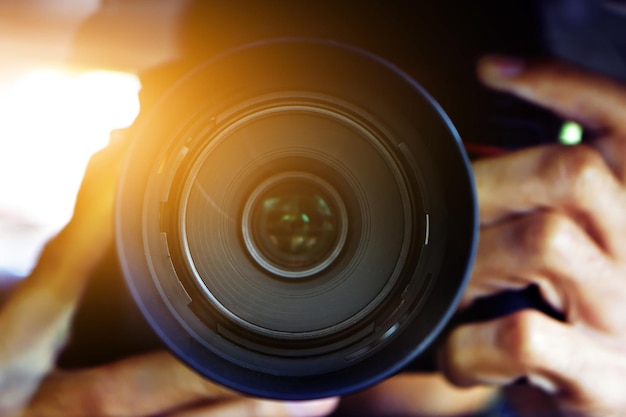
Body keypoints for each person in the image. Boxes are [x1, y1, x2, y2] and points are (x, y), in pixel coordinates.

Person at [1, 55, 625, 417]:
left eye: (391, 177)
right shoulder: (49, 352)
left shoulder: (559, 369)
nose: (356, 237)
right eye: (253, 143)